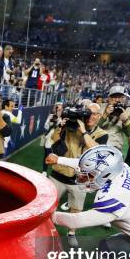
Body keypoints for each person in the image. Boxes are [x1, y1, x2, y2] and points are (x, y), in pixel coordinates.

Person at [45, 103, 108, 246]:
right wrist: (61, 127)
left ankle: (71, 233)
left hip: (81, 179)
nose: (89, 116)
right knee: (49, 204)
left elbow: (95, 150)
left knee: (76, 209)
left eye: (93, 114)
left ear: (99, 116)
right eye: (87, 113)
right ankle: (46, 229)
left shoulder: (102, 134)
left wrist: (84, 131)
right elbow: (54, 142)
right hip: (59, 173)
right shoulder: (70, 127)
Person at [98, 85, 130, 153]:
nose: (117, 100)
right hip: (99, 144)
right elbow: (94, 128)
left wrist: (126, 121)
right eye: (114, 97)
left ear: (123, 98)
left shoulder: (128, 110)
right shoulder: (101, 107)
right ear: (109, 98)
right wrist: (105, 114)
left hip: (115, 147)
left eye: (120, 97)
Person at [42, 102, 64, 175]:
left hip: (59, 140)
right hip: (49, 139)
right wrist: (50, 123)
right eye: (57, 108)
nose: (58, 110)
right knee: (47, 155)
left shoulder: (64, 118)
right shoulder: (51, 116)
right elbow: (45, 127)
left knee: (58, 157)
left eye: (60, 109)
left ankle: (56, 172)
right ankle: (44, 171)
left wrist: (59, 123)